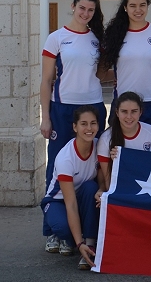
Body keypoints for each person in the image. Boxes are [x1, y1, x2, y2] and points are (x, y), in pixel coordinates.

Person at [40, 0, 107, 189]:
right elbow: (46, 80)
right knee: (59, 159)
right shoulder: (56, 38)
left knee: (92, 159)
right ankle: (53, 207)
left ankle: (89, 208)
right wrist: (45, 117)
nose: (85, 13)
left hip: (93, 105)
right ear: (73, 7)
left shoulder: (97, 39)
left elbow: (101, 74)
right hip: (63, 108)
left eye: (90, 10)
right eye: (82, 8)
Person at [41, 105, 103, 270]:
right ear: (75, 127)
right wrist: (78, 242)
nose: (89, 128)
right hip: (59, 201)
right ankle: (62, 236)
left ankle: (90, 244)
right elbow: (71, 204)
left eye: (93, 123)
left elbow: (101, 180)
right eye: (83, 124)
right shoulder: (65, 158)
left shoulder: (99, 146)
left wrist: (101, 189)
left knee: (92, 187)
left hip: (82, 196)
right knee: (64, 229)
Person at [100, 0, 151, 133]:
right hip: (124, 103)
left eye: (142, 5)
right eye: (133, 6)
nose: (138, 10)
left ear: (148, 6)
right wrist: (119, 75)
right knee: (120, 151)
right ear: (125, 8)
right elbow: (101, 74)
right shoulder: (114, 35)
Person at [97, 92, 151, 190]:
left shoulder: (150, 132)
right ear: (117, 112)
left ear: (140, 112)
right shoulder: (106, 139)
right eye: (124, 111)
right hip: (120, 188)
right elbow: (107, 180)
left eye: (134, 111)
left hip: (145, 185)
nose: (129, 116)